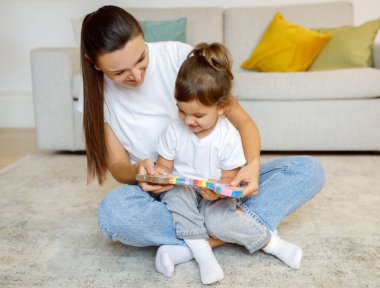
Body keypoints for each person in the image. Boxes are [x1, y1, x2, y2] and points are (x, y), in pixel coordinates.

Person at [79, 4, 325, 278]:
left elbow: (242, 121)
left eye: (141, 59)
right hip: (165, 194)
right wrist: (138, 173)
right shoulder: (94, 95)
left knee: (308, 170)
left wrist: (252, 165)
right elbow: (117, 165)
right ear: (94, 63)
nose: (137, 76)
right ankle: (234, 230)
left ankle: (194, 244)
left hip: (218, 184)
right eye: (119, 73)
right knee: (113, 214)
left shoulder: (178, 56)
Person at [151, 43, 302, 284]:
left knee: (218, 220)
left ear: (221, 108)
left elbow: (229, 181)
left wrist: (217, 191)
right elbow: (164, 168)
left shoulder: (228, 135)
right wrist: (157, 174)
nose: (188, 121)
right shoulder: (173, 131)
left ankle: (271, 243)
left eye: (198, 115)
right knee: (176, 196)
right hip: (184, 193)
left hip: (214, 196)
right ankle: (204, 257)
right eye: (181, 111)